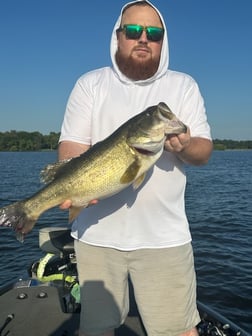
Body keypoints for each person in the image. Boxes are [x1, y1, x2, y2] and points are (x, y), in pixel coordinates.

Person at [58, 1, 213, 335]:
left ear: (163, 40)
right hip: (96, 236)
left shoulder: (183, 86)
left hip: (165, 239)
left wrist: (185, 146)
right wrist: (75, 187)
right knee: (96, 330)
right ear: (119, 36)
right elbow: (71, 147)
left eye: (153, 33)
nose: (143, 38)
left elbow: (204, 150)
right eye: (133, 30)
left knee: (178, 330)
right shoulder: (90, 84)